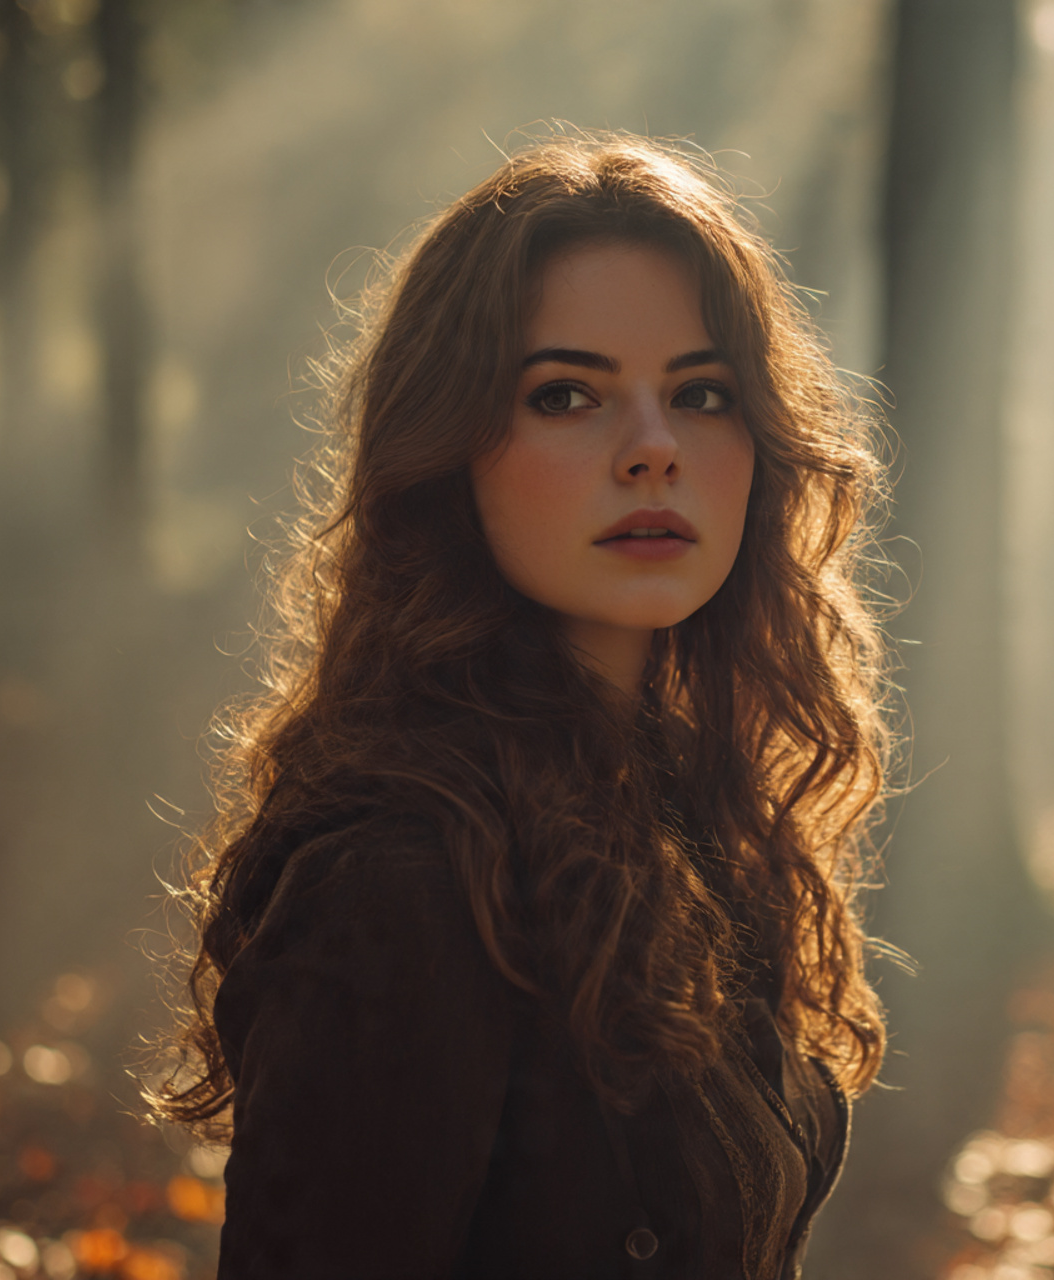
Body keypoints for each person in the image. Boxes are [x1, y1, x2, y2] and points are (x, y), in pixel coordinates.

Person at [151, 130, 892, 1280]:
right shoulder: (402, 878)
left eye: (699, 393)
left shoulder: (689, 809)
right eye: (566, 395)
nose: (652, 448)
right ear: (447, 453)